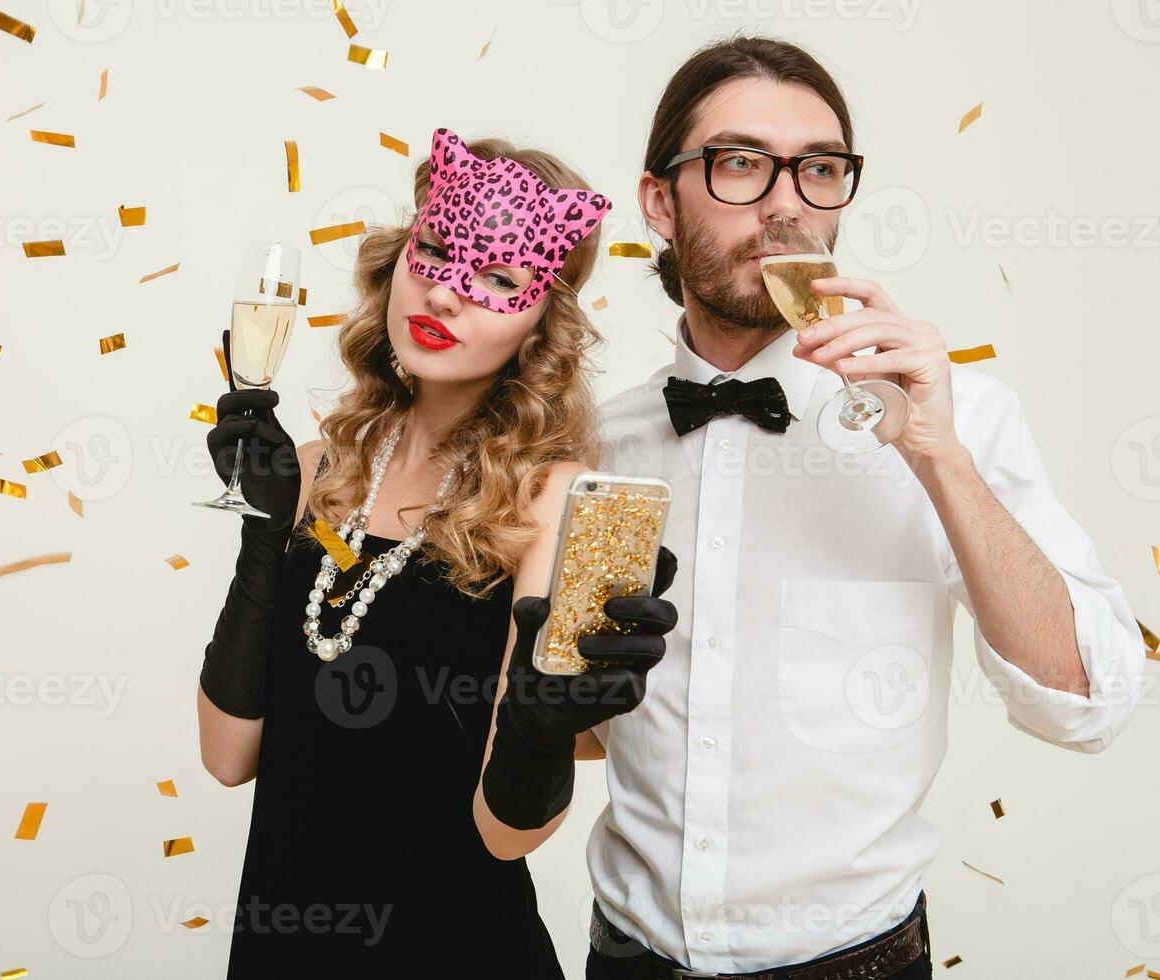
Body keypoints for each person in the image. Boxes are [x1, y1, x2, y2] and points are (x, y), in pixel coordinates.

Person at [473, 36, 1147, 979]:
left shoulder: (954, 424)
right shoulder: (595, 449)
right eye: (741, 163)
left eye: (820, 170)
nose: (788, 203)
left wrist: (937, 454)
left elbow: (1090, 706)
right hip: (623, 958)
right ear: (660, 200)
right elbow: (570, 719)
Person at [196, 126, 679, 977]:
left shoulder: (551, 499)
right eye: (437, 252)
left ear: (542, 327)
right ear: (397, 263)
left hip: (457, 946)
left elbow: (508, 834)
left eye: (499, 278)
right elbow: (228, 757)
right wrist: (263, 538)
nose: (448, 294)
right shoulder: (311, 470)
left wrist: (546, 715)